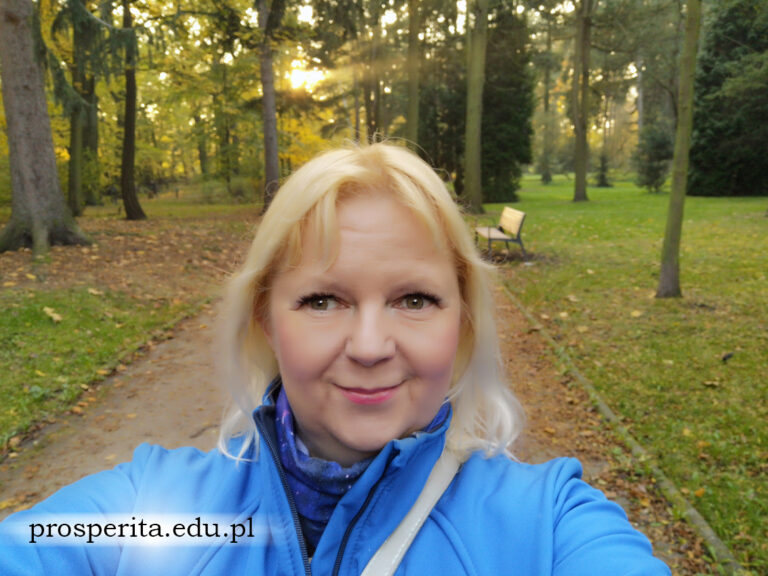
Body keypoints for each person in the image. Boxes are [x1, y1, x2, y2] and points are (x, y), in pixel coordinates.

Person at [0, 143, 670, 575]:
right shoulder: (151, 509)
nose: (371, 347)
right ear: (265, 319)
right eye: (323, 300)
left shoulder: (548, 525)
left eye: (414, 299)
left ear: (462, 321)